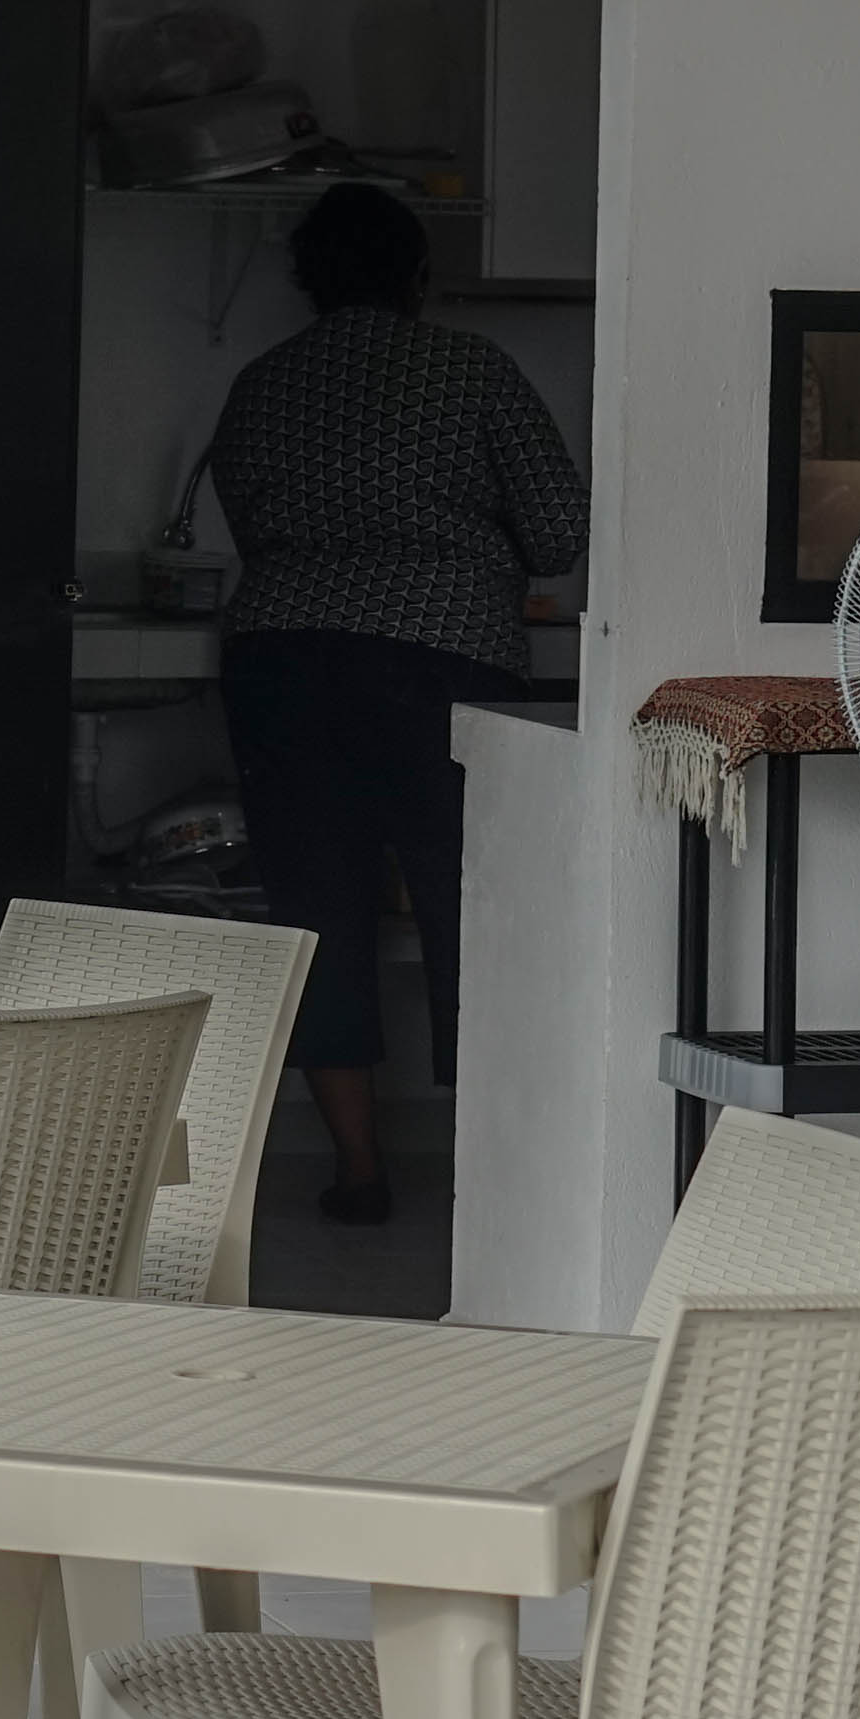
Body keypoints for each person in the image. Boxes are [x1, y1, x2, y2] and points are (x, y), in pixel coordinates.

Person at [207, 181, 588, 1224]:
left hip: (283, 663)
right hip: (440, 664)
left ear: (308, 281)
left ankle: (359, 1170)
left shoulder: (263, 383)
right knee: (473, 911)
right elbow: (559, 531)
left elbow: (248, 524)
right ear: (418, 275)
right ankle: (490, 1180)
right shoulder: (472, 369)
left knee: (317, 917)